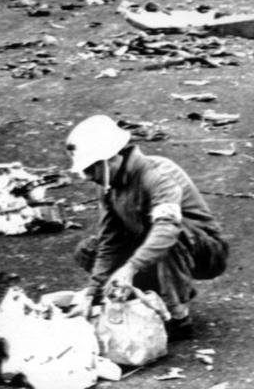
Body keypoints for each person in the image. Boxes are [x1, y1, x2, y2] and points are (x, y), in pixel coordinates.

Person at [65, 115, 229, 339]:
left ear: (111, 159)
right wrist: (91, 293)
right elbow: (110, 242)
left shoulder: (158, 174)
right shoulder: (108, 187)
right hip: (150, 246)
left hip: (203, 251)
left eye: (90, 169)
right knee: (88, 250)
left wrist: (129, 268)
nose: (86, 177)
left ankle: (178, 316)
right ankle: (149, 294)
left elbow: (168, 227)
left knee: (169, 235)